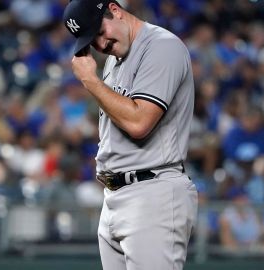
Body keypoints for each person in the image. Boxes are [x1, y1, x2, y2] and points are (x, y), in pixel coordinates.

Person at [63, 1, 198, 269]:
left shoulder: (161, 47)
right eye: (93, 40)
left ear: (115, 9)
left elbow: (139, 123)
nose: (101, 45)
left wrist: (90, 80)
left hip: (152, 192)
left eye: (100, 31)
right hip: (115, 195)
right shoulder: (115, 58)